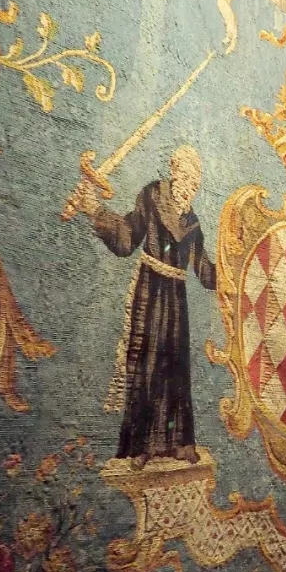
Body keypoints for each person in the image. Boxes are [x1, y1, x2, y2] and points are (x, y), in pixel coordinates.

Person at [76, 145, 216, 470]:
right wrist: (96, 210)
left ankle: (179, 443)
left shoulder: (192, 221)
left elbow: (204, 270)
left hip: (176, 299)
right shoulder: (152, 196)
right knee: (147, 364)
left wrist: (234, 273)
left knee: (176, 367)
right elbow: (127, 238)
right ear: (174, 172)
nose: (190, 187)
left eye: (195, 182)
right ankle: (140, 446)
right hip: (151, 290)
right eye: (187, 178)